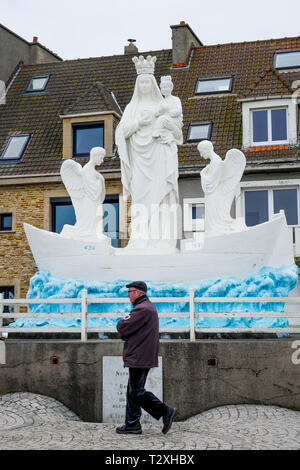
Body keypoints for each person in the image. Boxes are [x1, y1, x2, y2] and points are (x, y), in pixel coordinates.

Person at [115, 56, 182, 252]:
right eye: (141, 82)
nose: (144, 85)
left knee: (161, 198)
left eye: (147, 82)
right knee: (141, 199)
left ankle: (161, 240)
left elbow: (177, 132)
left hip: (159, 157)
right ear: (137, 85)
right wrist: (140, 124)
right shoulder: (131, 107)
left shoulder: (163, 106)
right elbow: (121, 132)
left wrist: (170, 138)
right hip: (139, 161)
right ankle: (140, 239)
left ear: (152, 84)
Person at [116, 280, 176, 435]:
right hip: (142, 355)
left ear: (139, 293)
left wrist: (121, 322)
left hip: (139, 356)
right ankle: (132, 424)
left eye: (130, 291)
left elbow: (123, 327)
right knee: (133, 391)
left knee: (136, 391)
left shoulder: (142, 309)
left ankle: (164, 411)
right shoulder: (146, 307)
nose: (128, 295)